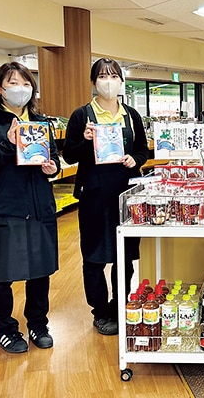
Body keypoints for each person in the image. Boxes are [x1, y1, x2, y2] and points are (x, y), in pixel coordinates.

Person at [0, 62, 60, 353]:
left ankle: (37, 324)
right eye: (13, 83)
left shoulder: (40, 122)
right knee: (1, 274)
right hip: (3, 209)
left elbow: (53, 160)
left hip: (39, 206)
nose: (20, 89)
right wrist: (7, 144)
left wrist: (52, 168)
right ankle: (5, 328)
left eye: (25, 83)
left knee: (39, 271)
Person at [63, 58, 149, 335]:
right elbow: (68, 155)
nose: (108, 82)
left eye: (113, 76)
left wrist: (133, 159)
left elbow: (143, 151)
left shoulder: (131, 115)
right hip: (93, 195)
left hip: (125, 195)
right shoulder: (81, 116)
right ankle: (100, 310)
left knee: (123, 255)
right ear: (93, 82)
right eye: (102, 76)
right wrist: (85, 140)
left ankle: (119, 306)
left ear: (121, 81)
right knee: (95, 256)